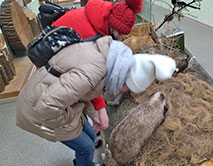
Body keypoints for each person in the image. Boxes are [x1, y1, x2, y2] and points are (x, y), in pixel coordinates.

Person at [16, 36, 176, 166]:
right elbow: (46, 107)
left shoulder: (106, 59)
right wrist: (71, 119)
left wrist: (93, 115)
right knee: (87, 148)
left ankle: (84, 160)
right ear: (125, 79)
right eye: (128, 88)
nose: (124, 91)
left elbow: (80, 93)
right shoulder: (91, 74)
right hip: (37, 112)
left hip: (56, 101)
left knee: (93, 138)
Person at [52, 0, 144, 132]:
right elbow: (88, 78)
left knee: (84, 125)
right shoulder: (89, 35)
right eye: (120, 33)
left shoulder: (97, 17)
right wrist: (100, 109)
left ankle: (85, 128)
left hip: (62, 66)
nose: (119, 38)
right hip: (52, 77)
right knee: (83, 141)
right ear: (113, 25)